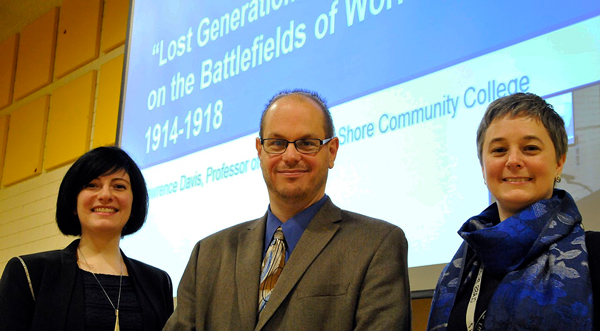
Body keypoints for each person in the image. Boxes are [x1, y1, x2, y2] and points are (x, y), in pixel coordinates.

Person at [163, 90, 411, 330]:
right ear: (260, 151)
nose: (290, 156)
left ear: (331, 151)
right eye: (277, 143)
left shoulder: (377, 244)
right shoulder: (207, 254)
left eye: (306, 143)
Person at [427, 92, 596, 331]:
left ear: (559, 161)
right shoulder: (460, 269)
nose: (513, 160)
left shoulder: (594, 255)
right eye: (498, 150)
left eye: (530, 148)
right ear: (483, 167)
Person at [0, 146, 174, 330]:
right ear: (73, 203)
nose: (106, 195)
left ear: (134, 203)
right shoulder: (30, 273)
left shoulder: (158, 282)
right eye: (92, 185)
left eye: (119, 186)